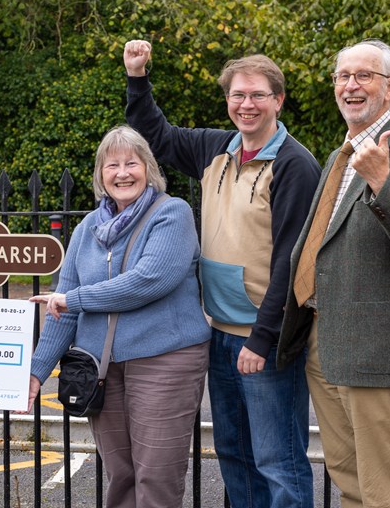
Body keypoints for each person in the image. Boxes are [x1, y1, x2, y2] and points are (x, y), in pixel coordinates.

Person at [123, 40, 320, 508]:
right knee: (234, 454)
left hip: (264, 340)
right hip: (221, 335)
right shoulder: (217, 148)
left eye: (257, 95)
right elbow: (157, 135)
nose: (246, 105)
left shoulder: (295, 164)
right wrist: (137, 78)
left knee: (279, 461)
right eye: (237, 95)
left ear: (278, 100)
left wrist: (262, 338)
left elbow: (292, 263)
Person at [278, 39, 390, 508]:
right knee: (350, 484)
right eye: (342, 76)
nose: (350, 85)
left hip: (374, 348)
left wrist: (382, 182)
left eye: (364, 75)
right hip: (322, 341)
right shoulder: (338, 155)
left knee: (386, 491)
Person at [26, 126, 211, 508]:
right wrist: (36, 371)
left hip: (164, 361)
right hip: (101, 369)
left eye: (132, 163)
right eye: (113, 165)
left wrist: (72, 298)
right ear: (101, 174)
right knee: (121, 475)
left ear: (149, 168)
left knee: (156, 476)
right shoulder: (86, 229)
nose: (123, 173)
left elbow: (147, 281)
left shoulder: (171, 214)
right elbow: (62, 312)